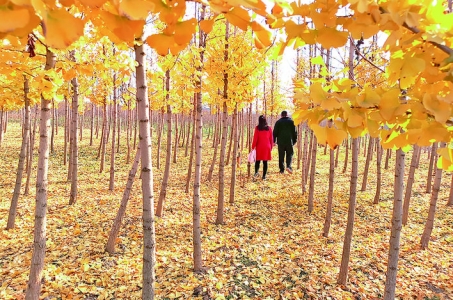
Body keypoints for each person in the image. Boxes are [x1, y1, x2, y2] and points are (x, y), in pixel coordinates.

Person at [251, 115, 273, 180]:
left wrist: (253, 146)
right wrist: (271, 147)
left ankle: (256, 173)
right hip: (267, 147)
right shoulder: (269, 128)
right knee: (265, 162)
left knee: (257, 161)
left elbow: (255, 138)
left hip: (259, 147)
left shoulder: (257, 128)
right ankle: (264, 176)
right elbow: (271, 139)